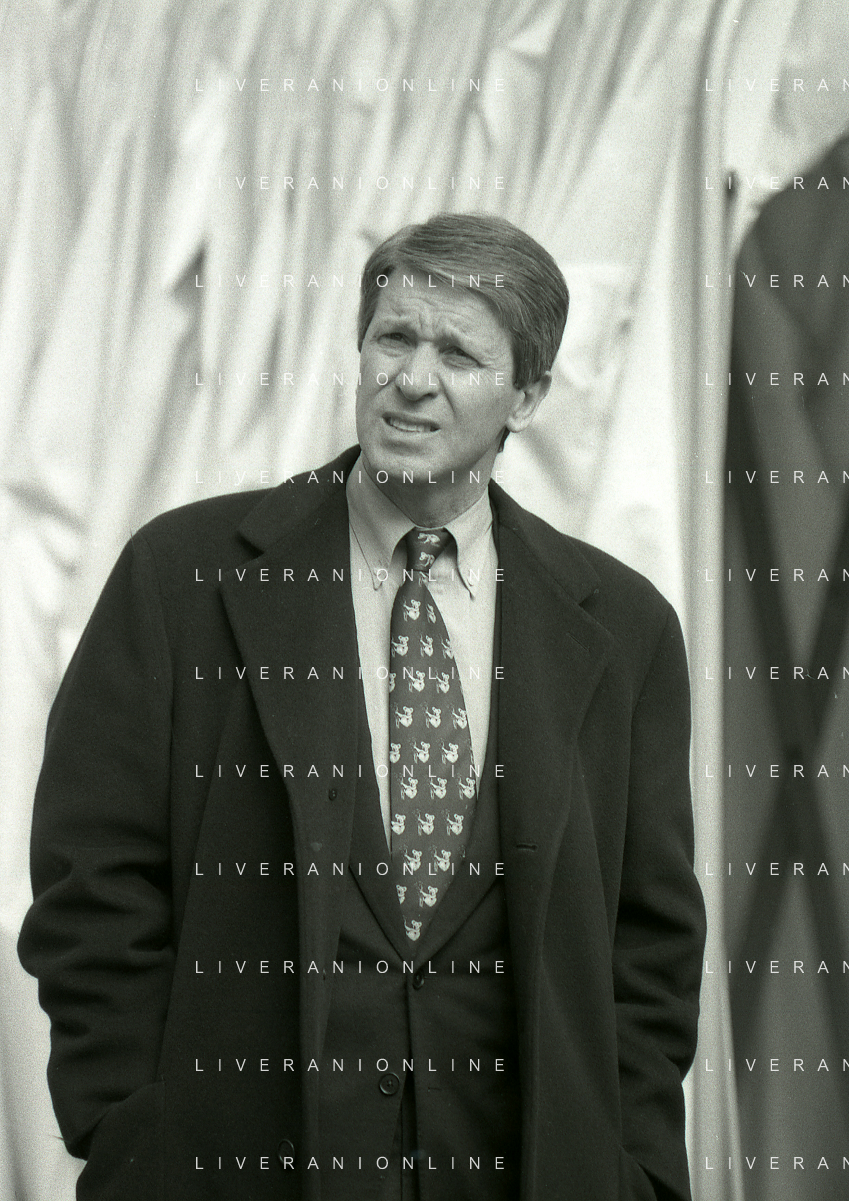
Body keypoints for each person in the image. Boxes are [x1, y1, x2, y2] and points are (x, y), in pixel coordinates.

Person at [18, 212, 706, 1201]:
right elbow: (92, 886)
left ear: (528, 395)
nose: (412, 379)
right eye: (394, 337)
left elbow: (652, 947)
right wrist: (135, 1135)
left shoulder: (626, 629)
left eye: (458, 353)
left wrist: (630, 1167)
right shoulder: (181, 578)